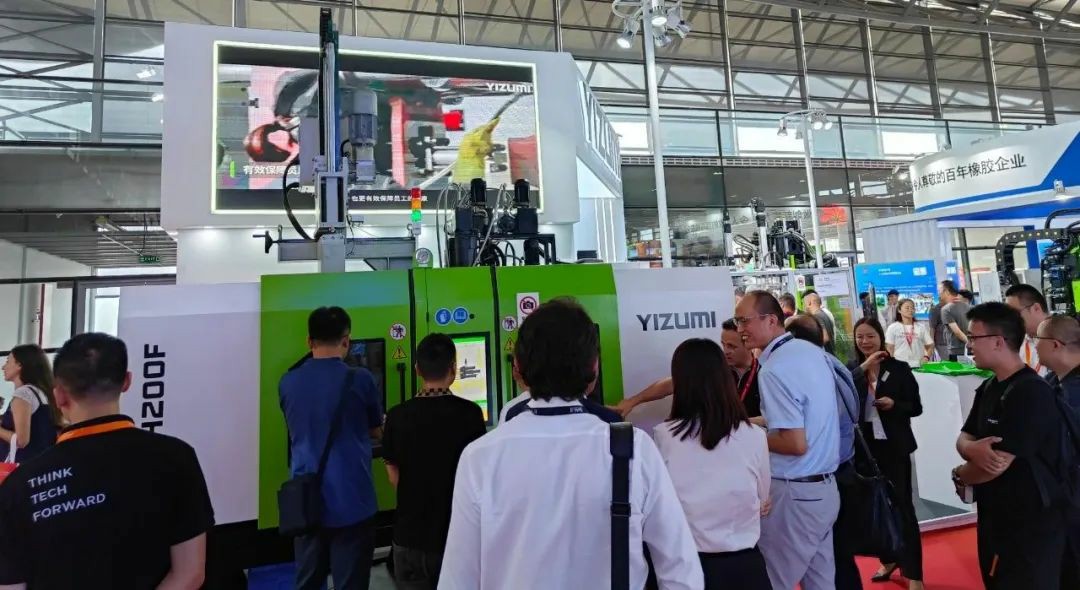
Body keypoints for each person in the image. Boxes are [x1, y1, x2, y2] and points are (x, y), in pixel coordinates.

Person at [439, 298, 704, 589]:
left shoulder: (480, 457)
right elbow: (682, 571)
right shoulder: (633, 449)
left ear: (519, 367)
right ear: (594, 367)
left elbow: (457, 579)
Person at [0, 333, 214, 589]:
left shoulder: (20, 485)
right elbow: (190, 572)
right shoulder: (177, 457)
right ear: (127, 382)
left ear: (59, 396)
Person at [952, 302, 1067, 590]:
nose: (969, 345)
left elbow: (995, 465)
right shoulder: (990, 386)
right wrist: (971, 450)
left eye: (973, 337)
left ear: (998, 341)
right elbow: (964, 437)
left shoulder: (1030, 392)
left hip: (1029, 524)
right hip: (997, 516)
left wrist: (960, 474)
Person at [735, 291, 840, 590]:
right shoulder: (810, 353)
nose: (740, 329)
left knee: (771, 580)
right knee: (821, 581)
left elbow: (794, 443)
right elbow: (802, 419)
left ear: (771, 320)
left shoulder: (774, 369)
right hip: (824, 490)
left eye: (744, 321)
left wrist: (746, 437)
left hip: (796, 494)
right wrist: (749, 424)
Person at [652, 338, 771, 590]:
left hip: (685, 568)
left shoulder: (664, 436)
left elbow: (658, 505)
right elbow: (762, 500)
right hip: (745, 568)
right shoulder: (754, 436)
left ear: (680, 382)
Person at [279, 307, 384, 590]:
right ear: (346, 340)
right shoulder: (361, 379)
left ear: (309, 341)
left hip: (305, 500)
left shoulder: (288, 382)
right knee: (351, 583)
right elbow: (375, 430)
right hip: (353, 501)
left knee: (308, 581)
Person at [382, 334, 487, 590]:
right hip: (458, 535)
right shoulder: (471, 414)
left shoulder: (396, 416)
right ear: (454, 369)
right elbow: (478, 473)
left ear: (417, 369)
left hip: (409, 537)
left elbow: (392, 472)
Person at [785, 314, 863, 590]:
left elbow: (815, 428)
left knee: (834, 556)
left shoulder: (815, 371)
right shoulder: (834, 364)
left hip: (829, 471)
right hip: (842, 465)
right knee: (836, 554)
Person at [850, 319, 925, 590]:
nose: (865, 342)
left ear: (881, 337)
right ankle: (889, 559)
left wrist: (895, 404)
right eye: (860, 337)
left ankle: (914, 572)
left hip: (895, 448)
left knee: (903, 507)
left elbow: (916, 407)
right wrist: (862, 370)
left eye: (870, 336)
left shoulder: (899, 369)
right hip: (864, 450)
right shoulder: (852, 371)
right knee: (874, 508)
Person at [614, 319, 760, 419]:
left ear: (748, 344)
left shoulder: (764, 373)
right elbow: (671, 384)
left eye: (732, 346)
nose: (725, 351)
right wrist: (633, 401)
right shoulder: (715, 368)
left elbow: (771, 419)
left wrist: (744, 425)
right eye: (723, 344)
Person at [1033, 314, 1080, 587]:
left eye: (1037, 339)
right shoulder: (1051, 381)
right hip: (1059, 499)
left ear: (1055, 344)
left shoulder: (1072, 391)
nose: (1033, 345)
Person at [0, 345, 59, 462]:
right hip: (42, 461)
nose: (3, 367)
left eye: (7, 362)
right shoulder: (42, 392)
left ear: (19, 365)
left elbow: (21, 440)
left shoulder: (23, 393)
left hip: (23, 464)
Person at [1005, 283, 1050, 377]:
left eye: (1015, 313)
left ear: (1036, 308)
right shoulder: (1019, 344)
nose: (1011, 320)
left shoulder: (1065, 338)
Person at [885, 299, 935, 368]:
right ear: (899, 310)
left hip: (918, 366)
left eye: (912, 308)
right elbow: (890, 348)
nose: (910, 310)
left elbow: (930, 346)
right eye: (907, 308)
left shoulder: (921, 327)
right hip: (899, 366)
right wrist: (891, 365)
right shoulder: (893, 327)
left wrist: (926, 357)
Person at [939, 280, 969, 361]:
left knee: (957, 369)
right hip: (969, 349)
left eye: (940, 290)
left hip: (956, 349)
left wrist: (968, 342)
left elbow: (957, 332)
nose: (939, 293)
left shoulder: (946, 309)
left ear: (947, 292)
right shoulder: (967, 306)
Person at [803, 290, 836, 355]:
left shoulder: (817, 316)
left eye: (804, 304)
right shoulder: (823, 314)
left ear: (809, 303)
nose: (804, 307)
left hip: (826, 355)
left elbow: (825, 338)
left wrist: (810, 346)